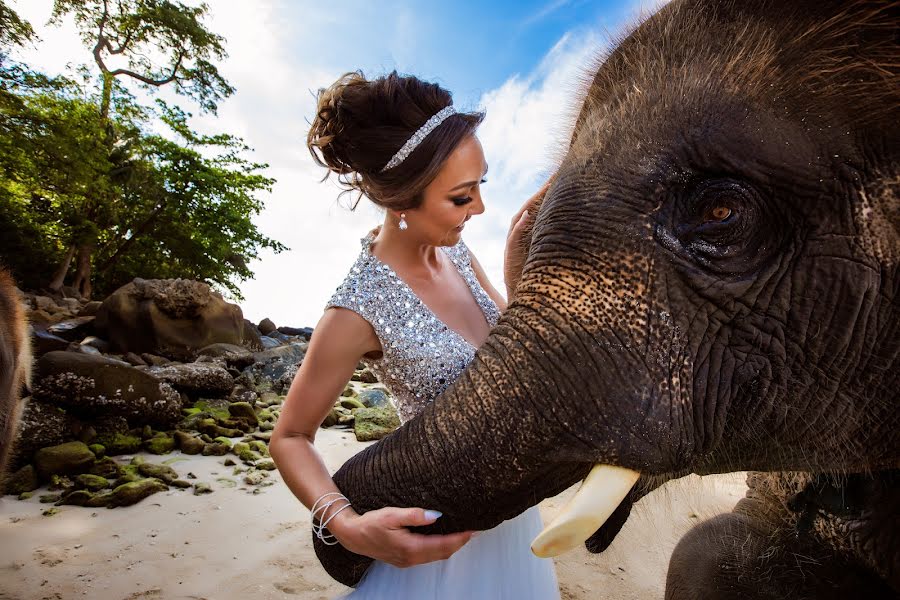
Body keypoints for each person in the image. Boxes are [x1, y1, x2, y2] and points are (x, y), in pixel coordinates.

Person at [269, 70, 558, 599]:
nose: (480, 209)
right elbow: (289, 438)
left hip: (510, 508)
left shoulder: (458, 254)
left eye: (481, 186)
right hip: (435, 529)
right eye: (461, 197)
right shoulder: (355, 310)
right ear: (402, 202)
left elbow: (516, 354)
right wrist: (346, 526)